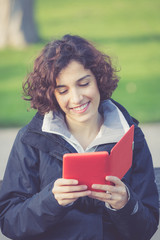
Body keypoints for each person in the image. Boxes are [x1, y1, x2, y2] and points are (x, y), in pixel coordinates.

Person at [0, 34, 159, 240]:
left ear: (98, 80)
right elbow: (10, 222)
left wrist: (125, 204)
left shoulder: (131, 137)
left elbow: (146, 229)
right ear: (52, 95)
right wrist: (50, 200)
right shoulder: (30, 140)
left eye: (83, 84)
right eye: (63, 90)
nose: (76, 98)